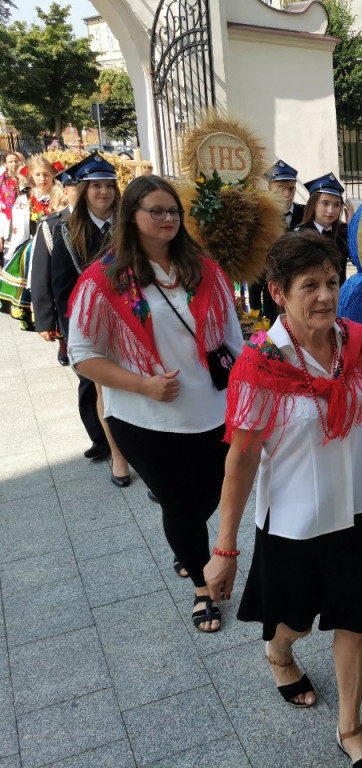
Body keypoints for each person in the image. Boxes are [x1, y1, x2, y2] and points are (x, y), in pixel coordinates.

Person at [204, 229, 362, 767]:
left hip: (359, 509)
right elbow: (243, 457)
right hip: (293, 521)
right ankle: (280, 652)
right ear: (277, 292)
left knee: (353, 619)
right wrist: (224, 547)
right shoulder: (260, 360)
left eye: (330, 282)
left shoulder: (360, 341)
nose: (324, 295)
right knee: (294, 619)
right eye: (309, 285)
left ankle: (350, 728)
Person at [67, 175, 243, 632]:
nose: (167, 219)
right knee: (179, 504)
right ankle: (203, 588)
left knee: (208, 493)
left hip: (213, 410)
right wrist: (142, 385)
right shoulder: (104, 280)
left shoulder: (203, 268)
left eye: (173, 212)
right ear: (132, 216)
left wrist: (248, 383)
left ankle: (187, 548)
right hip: (145, 417)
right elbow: (83, 354)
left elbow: (231, 336)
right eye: (156, 211)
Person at [48, 154, 135, 485]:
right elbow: (63, 289)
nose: (104, 192)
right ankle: (118, 455)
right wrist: (70, 337)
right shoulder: (67, 232)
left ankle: (147, 454)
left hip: (134, 318)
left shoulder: (131, 226)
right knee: (104, 390)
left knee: (141, 388)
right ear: (83, 191)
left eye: (109, 185)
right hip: (93, 324)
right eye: (96, 185)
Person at [0, 155, 68, 330]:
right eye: (37, 175)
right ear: (31, 175)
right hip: (35, 243)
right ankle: (38, 314)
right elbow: (20, 231)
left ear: (53, 173)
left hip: (60, 244)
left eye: (46, 174)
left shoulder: (61, 194)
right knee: (32, 263)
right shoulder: (26, 199)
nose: (42, 179)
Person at [30, 166, 78, 367]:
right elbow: (41, 275)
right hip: (70, 312)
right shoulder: (51, 225)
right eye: (77, 187)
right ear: (65, 190)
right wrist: (45, 320)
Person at [251, 160, 306, 323]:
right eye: (281, 188)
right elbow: (255, 265)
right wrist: (255, 309)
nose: (287, 194)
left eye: (291, 189)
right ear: (269, 188)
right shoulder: (259, 218)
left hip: (300, 295)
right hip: (271, 297)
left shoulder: (305, 214)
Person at [294, 172, 350, 283]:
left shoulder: (343, 231)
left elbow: (359, 260)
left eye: (336, 205)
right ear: (313, 204)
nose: (331, 210)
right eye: (325, 203)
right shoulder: (299, 235)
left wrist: (352, 230)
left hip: (338, 296)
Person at [0, 152, 20, 253]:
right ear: (5, 164)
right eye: (10, 162)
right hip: (6, 218)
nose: (14, 164)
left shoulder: (23, 177)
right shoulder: (2, 179)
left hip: (21, 217)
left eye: (16, 161)